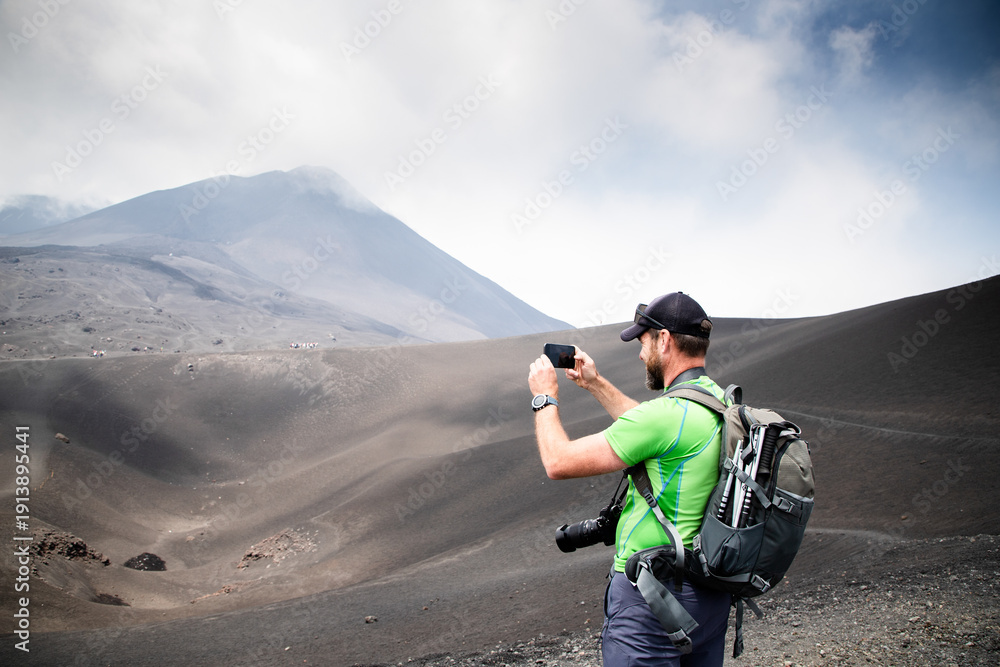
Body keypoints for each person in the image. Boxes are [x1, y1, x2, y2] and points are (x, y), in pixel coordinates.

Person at [527, 292, 730, 666]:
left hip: (651, 599)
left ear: (664, 340)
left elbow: (558, 462)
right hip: (710, 597)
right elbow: (657, 431)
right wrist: (595, 383)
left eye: (643, 342)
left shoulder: (665, 416)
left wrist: (544, 398)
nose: (640, 354)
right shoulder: (718, 403)